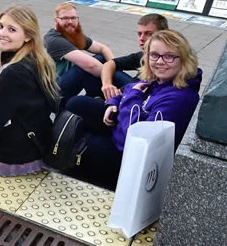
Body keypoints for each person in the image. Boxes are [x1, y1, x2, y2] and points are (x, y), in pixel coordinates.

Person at [65, 30, 202, 190]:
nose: (160, 61)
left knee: (79, 142)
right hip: (123, 129)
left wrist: (132, 99)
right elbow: (129, 88)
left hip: (134, 161)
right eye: (154, 55)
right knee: (77, 105)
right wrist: (113, 102)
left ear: (184, 59)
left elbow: (135, 142)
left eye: (169, 56)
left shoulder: (179, 98)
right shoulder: (160, 79)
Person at [0, 6, 58, 176]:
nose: (2, 33)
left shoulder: (14, 73)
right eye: (1, 26)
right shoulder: (41, 60)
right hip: (36, 145)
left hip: (11, 158)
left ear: (27, 36)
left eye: (12, 29)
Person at [44, 2, 116, 104]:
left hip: (66, 82)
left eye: (73, 18)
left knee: (101, 58)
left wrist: (115, 66)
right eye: (65, 18)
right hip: (52, 90)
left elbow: (103, 48)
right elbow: (91, 65)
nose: (70, 21)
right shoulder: (54, 40)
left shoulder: (72, 34)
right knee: (85, 67)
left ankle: (101, 98)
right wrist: (113, 79)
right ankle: (117, 90)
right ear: (56, 21)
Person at [101, 14, 169, 100]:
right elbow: (110, 63)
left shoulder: (162, 63)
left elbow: (132, 92)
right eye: (139, 34)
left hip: (135, 103)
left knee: (80, 101)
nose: (142, 38)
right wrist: (107, 84)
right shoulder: (143, 55)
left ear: (163, 34)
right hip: (130, 91)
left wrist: (115, 97)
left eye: (148, 34)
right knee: (101, 62)